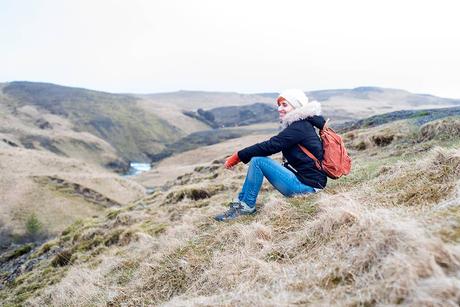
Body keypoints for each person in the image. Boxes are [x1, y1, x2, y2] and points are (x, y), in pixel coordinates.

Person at [214, 89, 327, 222]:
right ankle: (241, 204)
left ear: (296, 107)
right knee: (258, 160)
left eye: (285, 105)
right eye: (279, 105)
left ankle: (246, 206)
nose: (279, 109)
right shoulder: (301, 125)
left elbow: (271, 146)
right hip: (308, 182)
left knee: (258, 161)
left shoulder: (299, 127)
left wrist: (238, 156)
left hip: (307, 187)